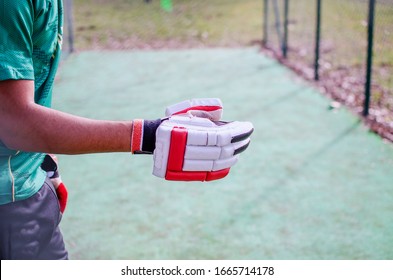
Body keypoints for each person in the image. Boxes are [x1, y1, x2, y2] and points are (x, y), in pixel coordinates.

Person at [0, 0, 252, 260]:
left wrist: (45, 159)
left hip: (25, 186)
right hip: (9, 203)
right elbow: (13, 122)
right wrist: (148, 135)